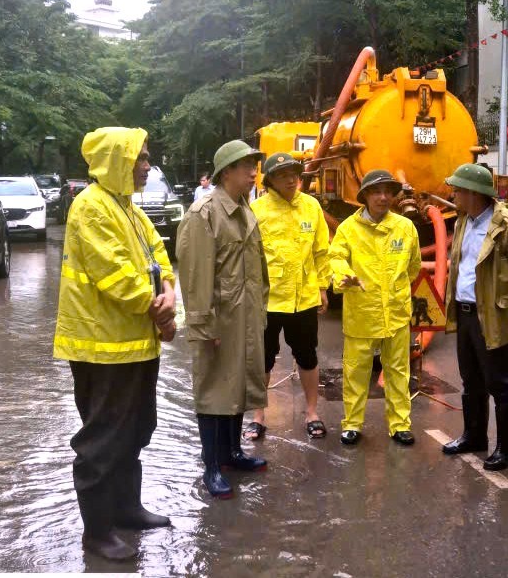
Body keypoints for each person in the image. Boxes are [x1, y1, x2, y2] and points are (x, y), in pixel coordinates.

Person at [53, 127, 177, 562]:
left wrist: (170, 296)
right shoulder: (91, 207)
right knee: (102, 440)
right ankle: (98, 531)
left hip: (137, 343)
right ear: (115, 161)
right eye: (139, 158)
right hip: (101, 347)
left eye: (146, 157)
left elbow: (161, 259)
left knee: (137, 429)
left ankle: (126, 509)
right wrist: (159, 308)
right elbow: (117, 277)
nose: (146, 165)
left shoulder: (129, 209)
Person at [177, 139, 270, 500]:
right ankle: (211, 465)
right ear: (226, 171)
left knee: (238, 386)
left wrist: (260, 308)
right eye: (246, 166)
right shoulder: (204, 214)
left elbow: (258, 267)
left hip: (244, 317)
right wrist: (204, 326)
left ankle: (232, 453)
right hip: (219, 320)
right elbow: (195, 277)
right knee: (214, 389)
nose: (253, 173)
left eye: (254, 165)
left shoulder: (245, 210)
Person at [441, 163, 508, 471]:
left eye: (458, 189)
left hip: (490, 316)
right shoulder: (461, 222)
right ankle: (474, 436)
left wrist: (502, 303)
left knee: (500, 383)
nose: (453, 193)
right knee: (471, 380)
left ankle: (505, 450)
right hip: (465, 312)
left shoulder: (507, 228)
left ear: (473, 193)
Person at [329, 170, 421, 446]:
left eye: (388, 192)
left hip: (396, 313)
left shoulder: (405, 228)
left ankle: (400, 424)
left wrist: (395, 291)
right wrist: (344, 275)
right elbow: (335, 258)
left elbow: (413, 267)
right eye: (376, 192)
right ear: (365, 196)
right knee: (356, 372)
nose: (383, 197)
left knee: (398, 371)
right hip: (362, 312)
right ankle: (352, 424)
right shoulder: (348, 229)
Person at [247, 152, 332, 441]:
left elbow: (322, 250)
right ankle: (258, 416)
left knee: (307, 357)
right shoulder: (256, 210)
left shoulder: (311, 206)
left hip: (303, 298)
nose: (291, 178)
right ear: (269, 179)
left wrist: (322, 287)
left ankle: (312, 413)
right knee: (263, 360)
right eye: (283, 174)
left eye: (294, 172)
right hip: (267, 301)